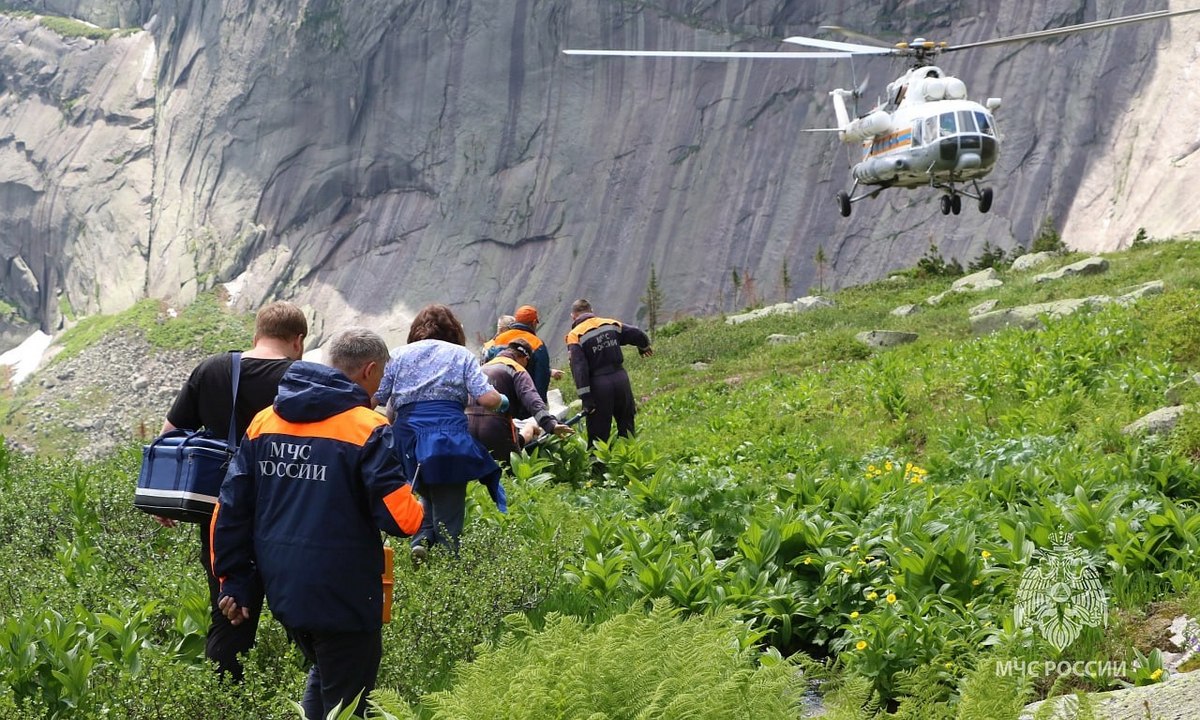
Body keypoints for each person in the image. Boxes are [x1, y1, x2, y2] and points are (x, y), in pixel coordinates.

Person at [212, 327, 424, 720]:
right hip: (342, 591)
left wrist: (234, 579)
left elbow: (229, 509)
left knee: (326, 672)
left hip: (285, 588)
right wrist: (418, 500)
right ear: (370, 370)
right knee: (350, 702)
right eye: (381, 378)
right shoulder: (367, 427)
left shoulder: (265, 421)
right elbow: (402, 520)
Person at [157, 300, 307, 681]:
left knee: (230, 614)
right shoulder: (303, 377)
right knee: (303, 615)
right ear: (298, 341)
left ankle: (224, 699)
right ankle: (310, 693)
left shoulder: (212, 369)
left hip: (219, 517)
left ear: (255, 334)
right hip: (286, 514)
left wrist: (164, 500)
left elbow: (169, 437)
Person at [374, 304, 507, 557]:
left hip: (407, 440)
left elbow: (377, 398)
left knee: (425, 491)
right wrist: (503, 401)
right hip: (448, 439)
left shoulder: (398, 356)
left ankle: (420, 542)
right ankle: (448, 565)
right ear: (453, 330)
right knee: (449, 507)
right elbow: (488, 399)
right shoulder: (461, 354)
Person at [467, 339, 573, 463]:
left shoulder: (482, 368)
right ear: (524, 358)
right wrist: (549, 424)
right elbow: (532, 400)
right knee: (509, 471)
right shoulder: (516, 369)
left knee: (476, 473)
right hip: (496, 427)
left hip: (467, 426)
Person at [565, 298, 653, 447]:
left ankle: (599, 467)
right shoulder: (609, 323)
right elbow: (637, 333)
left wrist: (585, 398)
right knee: (626, 421)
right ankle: (630, 458)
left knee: (598, 430)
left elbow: (579, 368)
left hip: (599, 385)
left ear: (573, 316)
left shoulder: (575, 335)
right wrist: (643, 347)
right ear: (591, 311)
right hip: (621, 379)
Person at [485, 305, 557, 401]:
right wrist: (539, 404)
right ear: (534, 323)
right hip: (524, 401)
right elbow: (541, 378)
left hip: (500, 399)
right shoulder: (537, 344)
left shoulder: (498, 340)